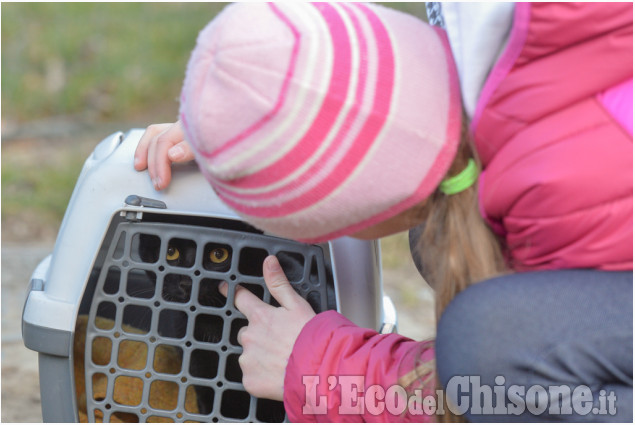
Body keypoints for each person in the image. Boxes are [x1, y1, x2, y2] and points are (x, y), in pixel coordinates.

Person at [134, 2, 633, 422]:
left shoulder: (560, 190)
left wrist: (321, 369)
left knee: (485, 339)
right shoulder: (516, 54)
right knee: (441, 248)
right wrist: (246, 126)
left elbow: (490, 382)